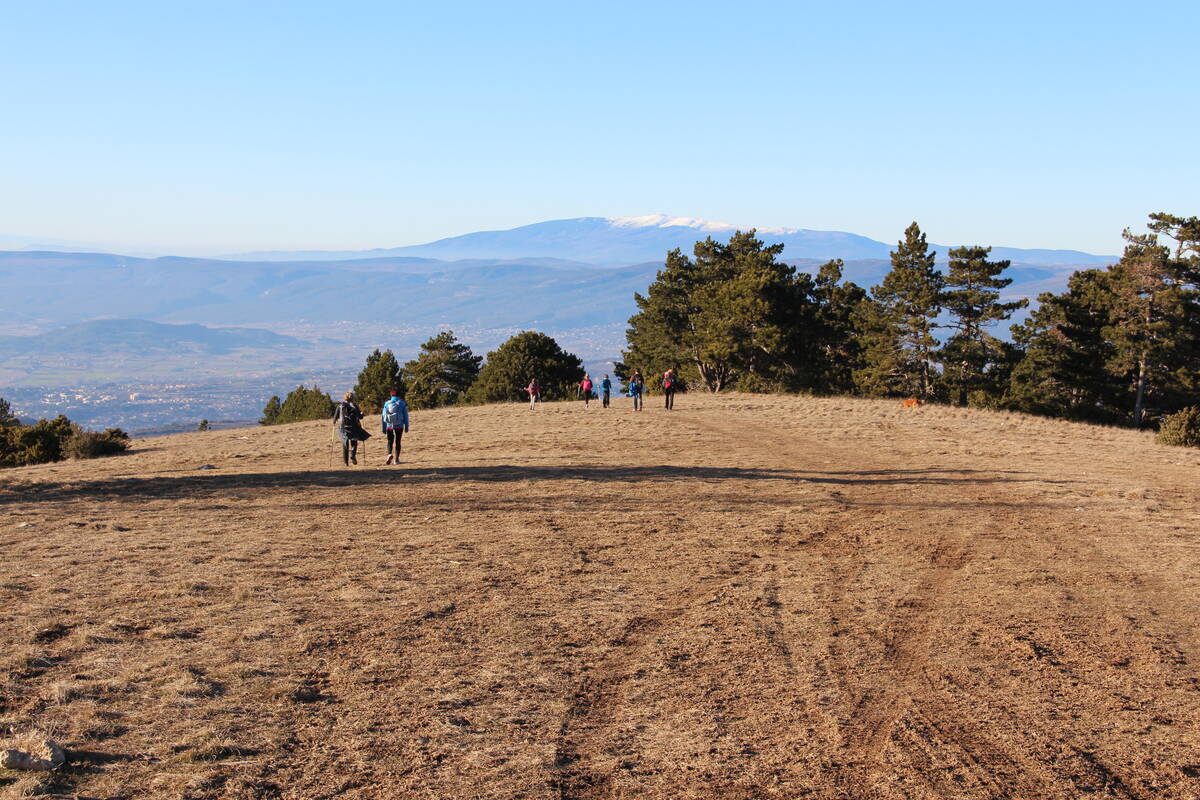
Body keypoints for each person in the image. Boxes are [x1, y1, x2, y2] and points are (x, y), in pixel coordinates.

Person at [333, 391, 370, 466]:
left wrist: (335, 422)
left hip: (343, 427)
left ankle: (345, 463)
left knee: (345, 444)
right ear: (352, 398)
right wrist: (362, 414)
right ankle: (353, 454)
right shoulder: (354, 406)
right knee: (354, 441)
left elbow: (334, 419)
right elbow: (360, 417)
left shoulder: (340, 406)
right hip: (354, 427)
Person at [381, 386, 409, 465]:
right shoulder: (402, 404)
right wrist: (406, 426)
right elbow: (406, 416)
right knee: (398, 442)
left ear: (391, 395)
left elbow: (383, 416)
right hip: (399, 425)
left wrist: (383, 428)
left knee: (390, 441)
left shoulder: (387, 404)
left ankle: (389, 454)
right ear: (398, 395)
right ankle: (396, 460)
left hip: (389, 425)